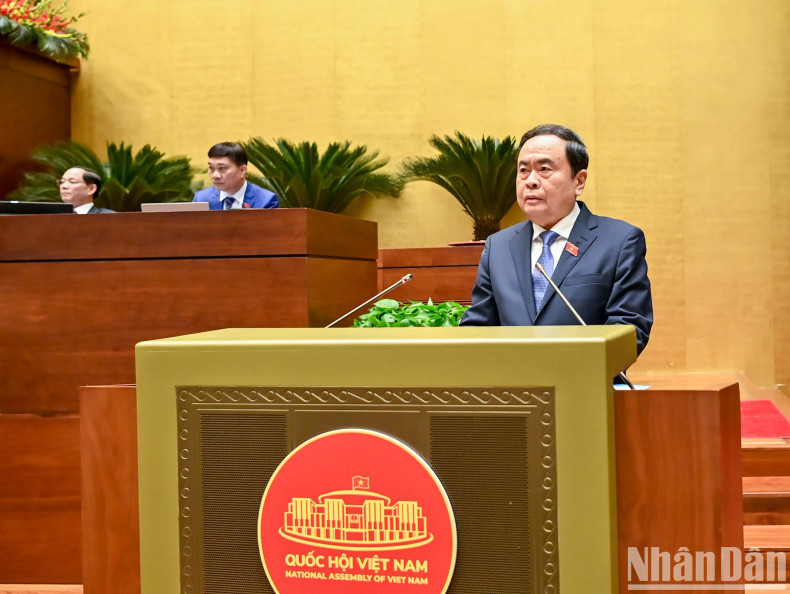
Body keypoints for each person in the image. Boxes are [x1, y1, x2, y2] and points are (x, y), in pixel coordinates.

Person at [460, 124, 653, 355]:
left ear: (579, 181)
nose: (531, 181)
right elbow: (478, 328)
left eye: (544, 169)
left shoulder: (620, 241)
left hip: (584, 375)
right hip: (513, 376)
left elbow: (629, 330)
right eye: (523, 170)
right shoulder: (498, 247)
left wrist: (562, 366)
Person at [193, 142, 279, 210]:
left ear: (242, 170)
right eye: (211, 168)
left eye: (222, 168)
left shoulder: (266, 200)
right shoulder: (201, 199)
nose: (215, 175)